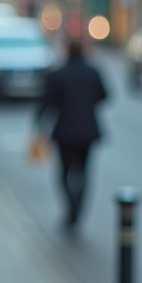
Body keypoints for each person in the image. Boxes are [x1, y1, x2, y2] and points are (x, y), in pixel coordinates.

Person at [36, 38, 108, 230]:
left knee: (64, 174)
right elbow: (104, 95)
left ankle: (71, 209)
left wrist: (39, 124)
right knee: (83, 174)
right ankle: (77, 209)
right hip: (87, 131)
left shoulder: (58, 74)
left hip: (65, 132)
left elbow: (46, 102)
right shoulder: (92, 72)